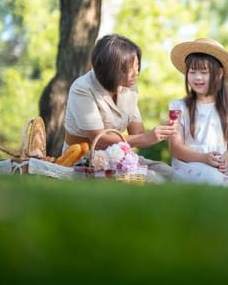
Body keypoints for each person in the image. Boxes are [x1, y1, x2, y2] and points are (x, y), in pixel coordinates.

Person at [63, 34, 175, 183]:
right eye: (130, 68)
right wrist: (146, 138)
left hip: (118, 155)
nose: (137, 73)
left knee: (172, 175)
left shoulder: (130, 90)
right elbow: (100, 140)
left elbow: (138, 134)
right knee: (155, 180)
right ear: (111, 69)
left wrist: (162, 131)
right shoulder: (82, 88)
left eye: (137, 66)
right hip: (85, 159)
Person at [167, 38, 228, 188]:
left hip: (220, 164)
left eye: (204, 72)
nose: (197, 77)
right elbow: (175, 147)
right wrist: (203, 158)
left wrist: (225, 159)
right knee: (213, 179)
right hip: (191, 165)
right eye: (192, 72)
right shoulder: (178, 107)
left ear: (219, 73)